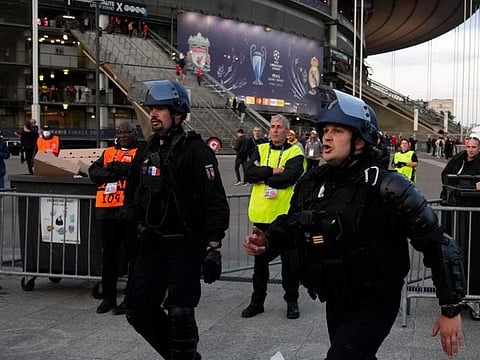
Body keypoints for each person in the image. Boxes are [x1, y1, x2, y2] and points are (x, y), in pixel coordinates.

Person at [243, 87, 466, 359]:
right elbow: (293, 223)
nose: (326, 137)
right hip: (336, 296)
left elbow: (438, 245)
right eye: (325, 130)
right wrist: (267, 240)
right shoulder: (313, 182)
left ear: (359, 140)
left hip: (376, 300)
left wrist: (450, 309)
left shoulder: (389, 186)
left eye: (337, 131)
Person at [124, 80, 230, 359]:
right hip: (151, 243)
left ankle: (185, 356)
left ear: (178, 114)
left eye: (160, 109)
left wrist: (213, 247)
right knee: (137, 309)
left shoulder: (197, 151)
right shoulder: (145, 151)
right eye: (151, 109)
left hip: (184, 245)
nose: (154, 114)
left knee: (180, 312)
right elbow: (132, 195)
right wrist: (135, 228)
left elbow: (216, 202)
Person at [241, 114, 306, 319]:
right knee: (260, 265)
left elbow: (289, 178)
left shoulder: (295, 151)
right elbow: (249, 173)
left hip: (284, 217)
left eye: (279, 127)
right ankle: (257, 301)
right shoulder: (259, 148)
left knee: (289, 265)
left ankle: (292, 302)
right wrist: (273, 171)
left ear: (287, 132)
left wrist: (264, 177)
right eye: (273, 126)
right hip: (261, 215)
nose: (275, 130)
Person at [88, 121, 138, 315]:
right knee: (108, 257)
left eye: (127, 132)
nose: (123, 135)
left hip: (129, 212)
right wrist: (115, 172)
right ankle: (109, 297)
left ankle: (129, 298)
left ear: (135, 133)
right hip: (107, 211)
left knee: (132, 257)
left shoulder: (139, 152)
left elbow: (135, 173)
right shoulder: (108, 152)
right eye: (119, 132)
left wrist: (117, 169)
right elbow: (94, 172)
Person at [440, 133, 480, 201]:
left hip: (474, 201)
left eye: (473, 147)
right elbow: (445, 174)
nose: (470, 150)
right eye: (468, 147)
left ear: (479, 149)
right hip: (453, 199)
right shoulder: (458, 159)